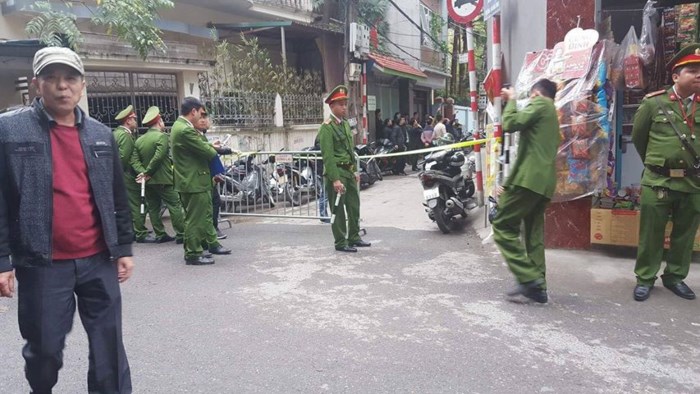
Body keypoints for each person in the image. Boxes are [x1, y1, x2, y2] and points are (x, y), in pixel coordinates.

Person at [0, 46, 133, 393]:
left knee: (110, 350)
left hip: (98, 259)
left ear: (83, 84)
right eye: (52, 78)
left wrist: (124, 246)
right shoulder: (8, 131)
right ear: (36, 84)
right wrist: (2, 260)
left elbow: (118, 196)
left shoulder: (101, 136)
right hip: (42, 263)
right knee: (44, 351)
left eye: (70, 78)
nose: (62, 87)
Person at [631, 44, 700, 302]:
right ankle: (645, 278)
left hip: (693, 182)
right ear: (675, 77)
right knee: (651, 232)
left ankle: (675, 277)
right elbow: (639, 139)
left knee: (685, 233)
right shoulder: (653, 103)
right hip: (659, 180)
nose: (698, 75)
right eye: (692, 70)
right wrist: (658, 165)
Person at [492, 79, 560, 304]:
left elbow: (511, 123)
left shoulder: (539, 103)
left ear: (535, 94)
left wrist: (511, 100)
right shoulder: (552, 114)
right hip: (544, 183)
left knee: (502, 225)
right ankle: (539, 287)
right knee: (533, 233)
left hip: (528, 181)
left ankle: (528, 277)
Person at [171, 97, 231, 265]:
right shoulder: (185, 130)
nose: (202, 117)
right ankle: (192, 253)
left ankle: (206, 244)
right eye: (200, 113)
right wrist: (222, 149)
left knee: (203, 216)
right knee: (194, 219)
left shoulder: (182, 127)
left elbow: (201, 147)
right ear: (193, 111)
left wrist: (212, 146)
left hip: (196, 180)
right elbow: (207, 152)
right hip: (193, 181)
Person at [317, 85, 371, 252]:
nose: (344, 107)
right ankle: (341, 242)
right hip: (338, 172)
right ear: (332, 106)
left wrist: (355, 171)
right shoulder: (327, 127)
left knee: (354, 206)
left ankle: (354, 237)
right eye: (340, 104)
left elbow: (350, 150)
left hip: (348, 171)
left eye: (345, 104)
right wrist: (335, 179)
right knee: (338, 210)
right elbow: (328, 156)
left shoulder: (346, 125)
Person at [134, 106, 186, 244]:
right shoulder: (162, 137)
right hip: (163, 179)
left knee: (153, 207)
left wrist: (144, 173)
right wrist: (148, 172)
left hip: (148, 182)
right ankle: (181, 234)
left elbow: (134, 159)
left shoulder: (139, 140)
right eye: (162, 121)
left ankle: (160, 234)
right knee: (175, 205)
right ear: (159, 121)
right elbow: (158, 157)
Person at [113, 104, 154, 243]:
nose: (136, 122)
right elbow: (125, 157)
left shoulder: (116, 133)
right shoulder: (125, 136)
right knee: (137, 203)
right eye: (134, 119)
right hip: (127, 175)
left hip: (120, 175)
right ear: (128, 121)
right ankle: (140, 233)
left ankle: (132, 230)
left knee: (129, 204)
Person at [195, 112, 232, 239]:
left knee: (214, 202)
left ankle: (210, 231)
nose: (205, 121)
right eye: (201, 118)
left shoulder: (201, 136)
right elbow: (207, 153)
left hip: (207, 175)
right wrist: (222, 150)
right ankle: (211, 230)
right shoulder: (195, 136)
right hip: (202, 177)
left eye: (205, 117)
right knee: (210, 204)